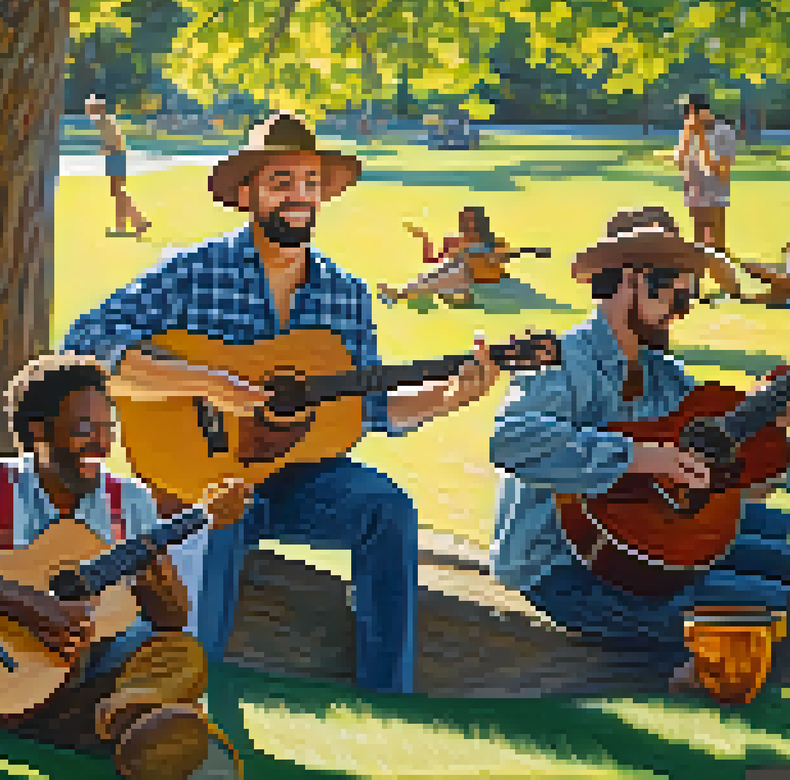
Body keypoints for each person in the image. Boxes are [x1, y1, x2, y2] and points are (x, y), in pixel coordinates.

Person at [63, 112, 503, 695]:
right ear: (248, 193)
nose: (299, 196)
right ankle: (193, 694)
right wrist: (207, 384)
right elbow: (84, 344)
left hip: (303, 477)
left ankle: (387, 692)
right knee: (220, 518)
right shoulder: (194, 272)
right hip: (205, 474)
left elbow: (366, 409)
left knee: (387, 508)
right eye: (281, 182)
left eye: (310, 183)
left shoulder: (345, 296)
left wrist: (449, 397)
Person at [487, 211, 790, 694]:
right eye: (675, 294)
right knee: (767, 606)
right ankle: (711, 675)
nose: (682, 309)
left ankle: (754, 682)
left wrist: (776, 422)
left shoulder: (665, 375)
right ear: (632, 280)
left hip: (655, 548)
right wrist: (643, 457)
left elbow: (729, 480)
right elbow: (511, 439)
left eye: (689, 296)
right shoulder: (563, 361)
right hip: (561, 565)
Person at [0, 354, 250, 779]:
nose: (101, 445)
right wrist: (30, 606)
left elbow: (170, 620)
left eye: (108, 429)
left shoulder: (130, 501)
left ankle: (121, 721)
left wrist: (160, 583)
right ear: (38, 430)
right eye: (85, 428)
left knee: (183, 654)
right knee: (168, 690)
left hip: (92, 672)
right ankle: (142, 731)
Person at [378, 205, 547, 307]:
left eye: (472, 221)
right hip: (453, 276)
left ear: (481, 223)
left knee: (453, 273)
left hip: (476, 280)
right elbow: (433, 260)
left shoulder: (494, 242)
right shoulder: (454, 241)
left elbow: (502, 257)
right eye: (465, 221)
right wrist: (424, 238)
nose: (468, 225)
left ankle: (399, 294)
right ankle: (402, 293)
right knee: (444, 271)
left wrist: (530, 251)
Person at [671, 94, 744, 301]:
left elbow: (720, 171)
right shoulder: (687, 132)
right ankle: (694, 287)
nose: (687, 117)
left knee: (716, 245)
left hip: (716, 196)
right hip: (694, 195)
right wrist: (687, 137)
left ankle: (731, 288)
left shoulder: (723, 132)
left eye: (690, 112)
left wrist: (701, 137)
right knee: (698, 244)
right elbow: (680, 163)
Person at [86, 95, 151, 238]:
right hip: (116, 157)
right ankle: (122, 225)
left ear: (98, 108)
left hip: (115, 157)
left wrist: (105, 150)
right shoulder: (105, 120)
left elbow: (115, 142)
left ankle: (139, 220)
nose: (88, 110)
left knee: (119, 192)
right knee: (117, 193)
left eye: (90, 107)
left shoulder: (103, 122)